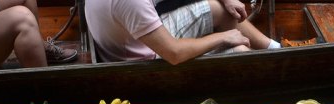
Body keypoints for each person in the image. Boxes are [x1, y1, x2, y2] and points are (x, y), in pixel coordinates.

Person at [85, 0, 279, 64]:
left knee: (220, 8)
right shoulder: (131, 2)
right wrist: (223, 37)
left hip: (137, 36)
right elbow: (174, 53)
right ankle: (263, 70)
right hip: (144, 59)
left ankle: (275, 50)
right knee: (240, 55)